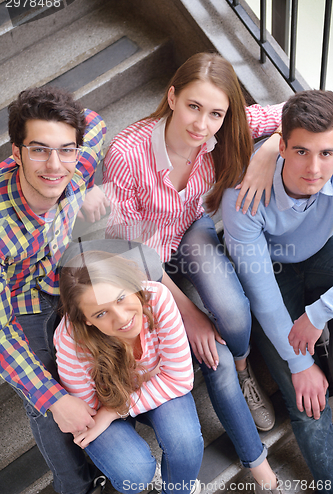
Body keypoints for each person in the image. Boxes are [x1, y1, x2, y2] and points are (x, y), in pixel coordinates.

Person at [103, 52, 286, 492]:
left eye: (215, 113)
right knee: (212, 356)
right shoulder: (127, 154)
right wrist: (186, 310)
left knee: (234, 314)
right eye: (193, 107)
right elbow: (126, 248)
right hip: (136, 258)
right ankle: (261, 470)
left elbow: (310, 106)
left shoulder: (224, 127)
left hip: (190, 229)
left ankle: (246, 370)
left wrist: (271, 151)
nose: (202, 124)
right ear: (172, 97)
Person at [0, 86, 160, 494]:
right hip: (19, 303)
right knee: (46, 392)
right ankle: (75, 484)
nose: (55, 165)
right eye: (39, 150)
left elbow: (98, 122)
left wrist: (87, 188)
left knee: (148, 270)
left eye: (65, 150)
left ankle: (131, 398)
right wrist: (54, 399)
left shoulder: (73, 166)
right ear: (15, 153)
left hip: (62, 272)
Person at [221, 89, 333, 490]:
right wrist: (300, 364)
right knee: (306, 401)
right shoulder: (243, 197)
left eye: (327, 154)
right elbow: (261, 288)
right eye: (301, 151)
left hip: (326, 253)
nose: (315, 168)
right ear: (282, 145)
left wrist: (319, 313)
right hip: (275, 270)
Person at [54, 250, 204, 494]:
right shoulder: (71, 342)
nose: (122, 318)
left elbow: (179, 378)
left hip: (145, 391)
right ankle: (154, 475)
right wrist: (108, 412)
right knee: (133, 472)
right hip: (103, 403)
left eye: (121, 298)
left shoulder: (156, 298)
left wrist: (113, 411)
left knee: (186, 443)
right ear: (86, 319)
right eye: (101, 313)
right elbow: (88, 414)